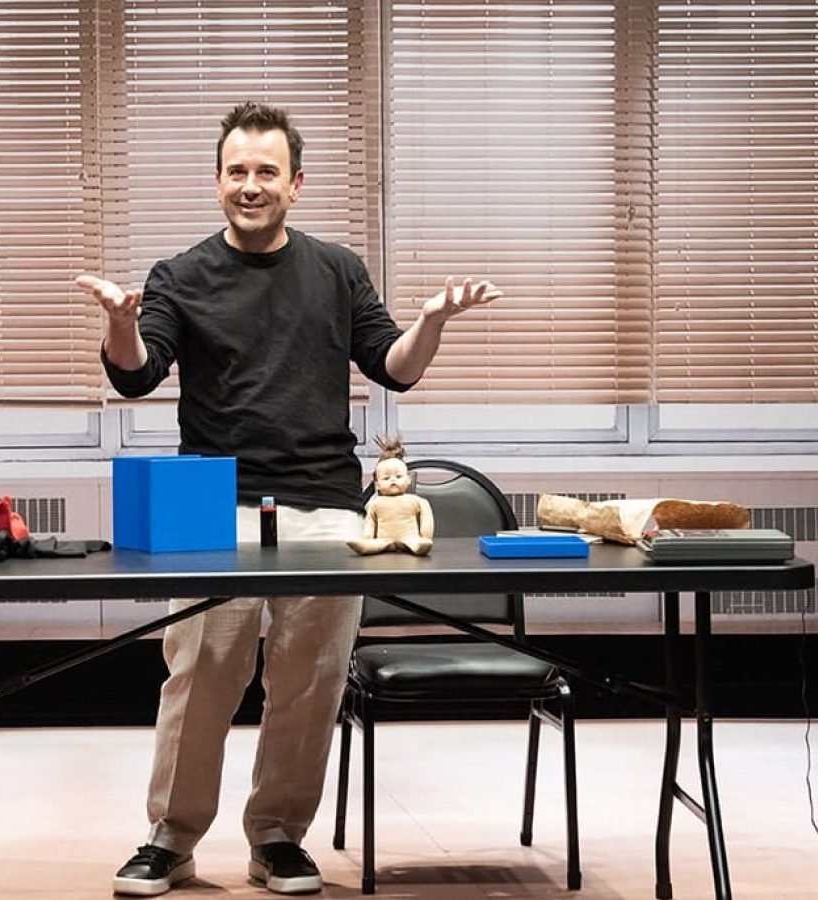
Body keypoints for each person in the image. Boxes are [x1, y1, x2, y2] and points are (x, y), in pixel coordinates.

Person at [76, 101, 501, 896]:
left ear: (296, 184)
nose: (250, 184)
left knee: (309, 681)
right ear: (217, 182)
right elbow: (136, 374)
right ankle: (171, 837)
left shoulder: (337, 270)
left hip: (326, 501)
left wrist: (433, 322)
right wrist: (121, 323)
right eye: (237, 171)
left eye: (266, 171)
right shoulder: (179, 275)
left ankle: (277, 838)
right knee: (199, 673)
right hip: (214, 503)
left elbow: (394, 366)